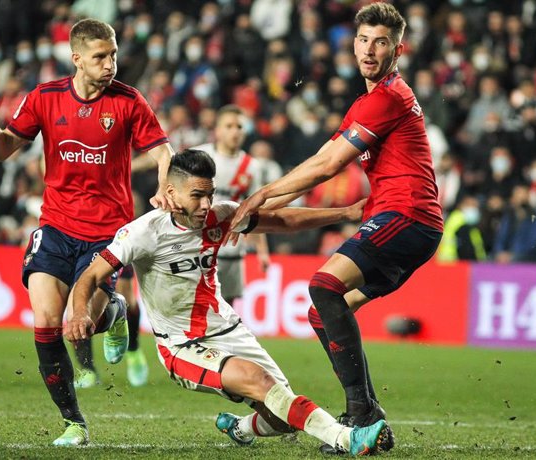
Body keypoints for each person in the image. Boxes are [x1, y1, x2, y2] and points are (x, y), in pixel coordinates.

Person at [66, 149, 387, 456]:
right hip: (181, 344)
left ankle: (241, 428)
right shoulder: (142, 233)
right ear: (171, 192)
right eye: (196, 195)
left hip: (228, 329)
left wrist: (345, 213)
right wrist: (80, 312)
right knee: (260, 382)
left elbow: (282, 221)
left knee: (281, 415)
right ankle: (347, 438)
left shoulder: (220, 216)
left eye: (210, 194)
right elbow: (90, 277)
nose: (207, 204)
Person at [230, 3, 444, 454]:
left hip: (406, 216)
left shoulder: (388, 97)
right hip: (404, 223)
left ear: (398, 49)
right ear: (353, 44)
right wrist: (256, 211)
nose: (370, 50)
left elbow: (327, 166)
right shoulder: (367, 103)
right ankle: (368, 414)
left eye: (381, 42)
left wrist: (259, 196)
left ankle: (362, 414)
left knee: (323, 285)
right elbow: (316, 164)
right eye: (364, 40)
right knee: (322, 308)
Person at [0, 18, 175, 446]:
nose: (110, 64)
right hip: (56, 227)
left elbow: (162, 150)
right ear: (76, 58)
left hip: (107, 235)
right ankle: (74, 423)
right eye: (100, 57)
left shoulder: (129, 101)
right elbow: (1, 150)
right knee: (46, 321)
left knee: (81, 324)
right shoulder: (44, 98)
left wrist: (163, 187)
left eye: (113, 54)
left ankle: (113, 313)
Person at [194, 105, 270, 306]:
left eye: (239, 126)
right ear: (217, 130)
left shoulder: (251, 166)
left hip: (231, 250)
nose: (235, 131)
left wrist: (262, 251)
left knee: (225, 310)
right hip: (197, 246)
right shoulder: (200, 156)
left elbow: (254, 211)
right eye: (229, 126)